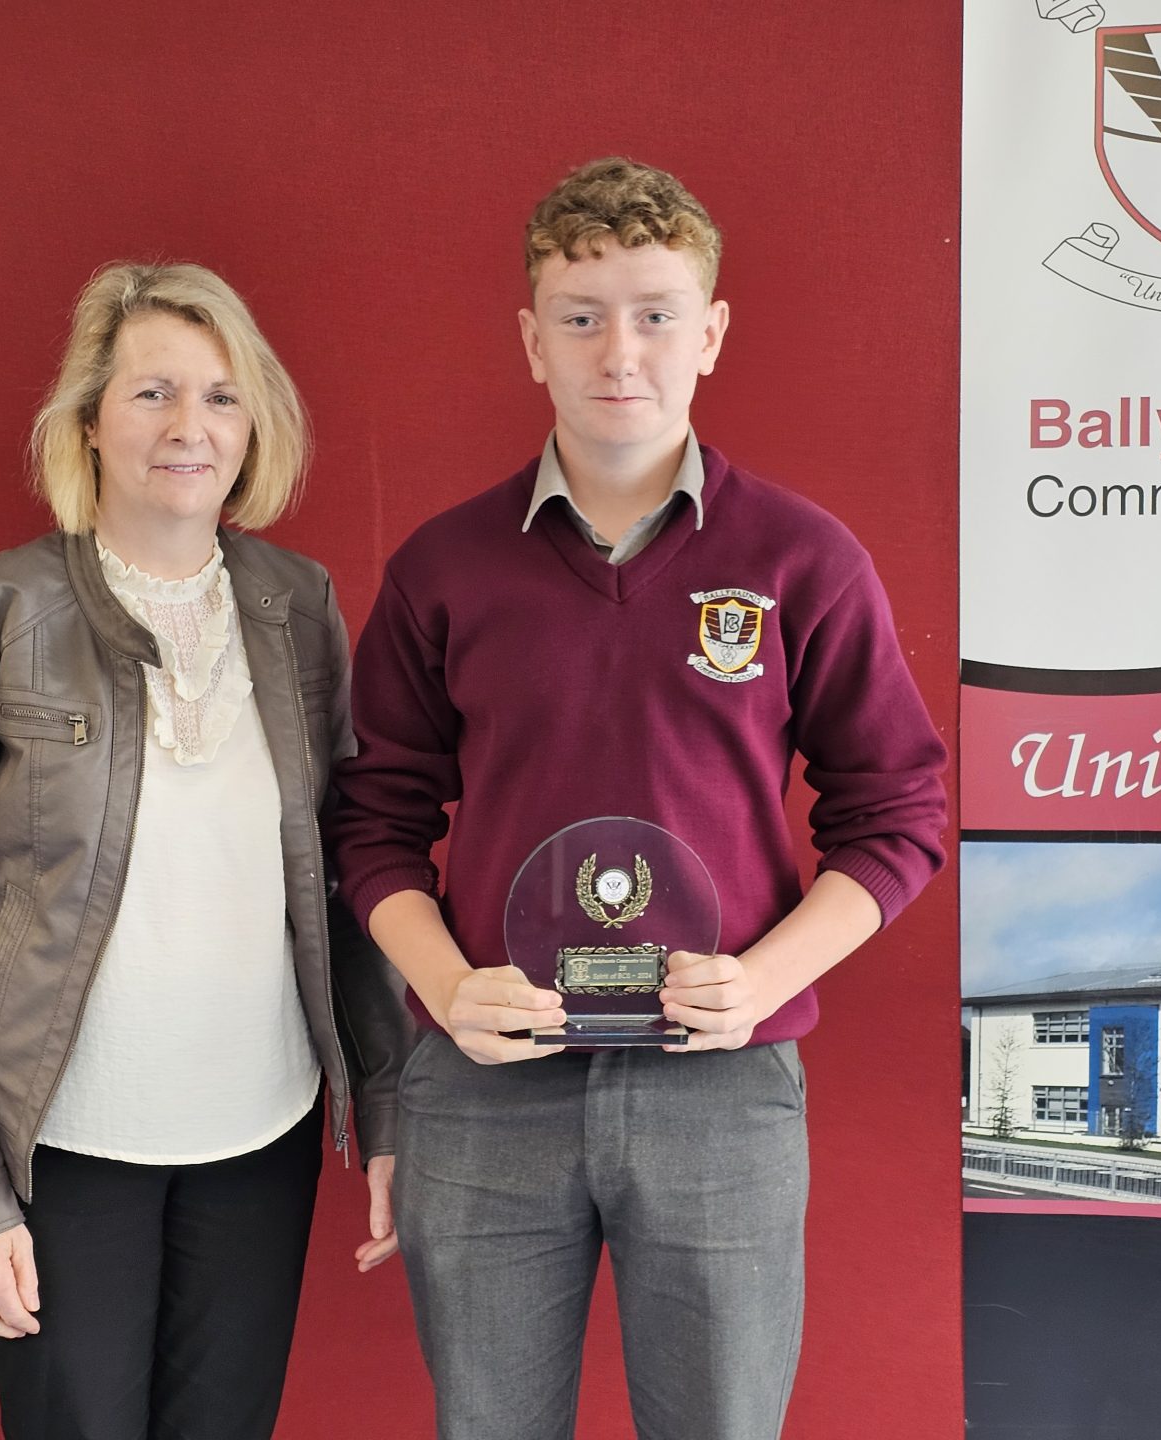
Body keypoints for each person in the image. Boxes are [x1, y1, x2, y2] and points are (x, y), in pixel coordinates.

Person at [328, 158, 949, 1439]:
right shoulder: (443, 568)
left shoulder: (803, 559)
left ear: (710, 333)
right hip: (489, 1084)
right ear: (530, 340)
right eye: (582, 316)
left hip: (719, 1086)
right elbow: (373, 821)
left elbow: (898, 812)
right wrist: (446, 986)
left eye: (657, 314)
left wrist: (764, 980)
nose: (621, 351)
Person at [0, 261, 410, 1439]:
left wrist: (391, 1104)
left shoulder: (299, 607)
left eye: (221, 395)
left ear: (253, 426)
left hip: (261, 1139)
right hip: (63, 1154)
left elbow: (345, 869)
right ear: (89, 423)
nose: (187, 426)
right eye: (153, 392)